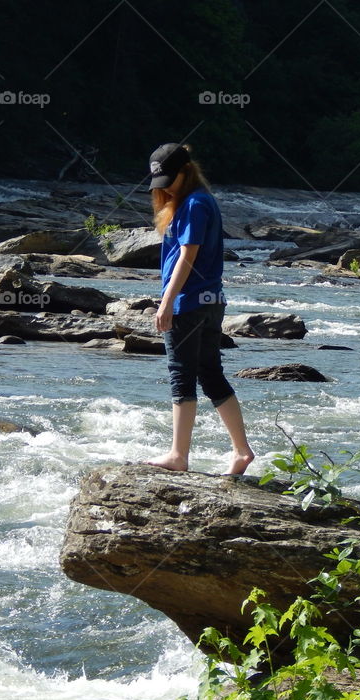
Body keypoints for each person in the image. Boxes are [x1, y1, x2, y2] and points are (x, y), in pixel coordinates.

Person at [144, 143, 254, 475]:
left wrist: (166, 303)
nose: (162, 188)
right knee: (210, 374)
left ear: (185, 172)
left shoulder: (193, 204)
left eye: (167, 179)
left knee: (182, 376)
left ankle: (178, 455)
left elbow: (186, 257)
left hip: (188, 304)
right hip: (211, 302)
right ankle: (241, 451)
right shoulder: (203, 201)